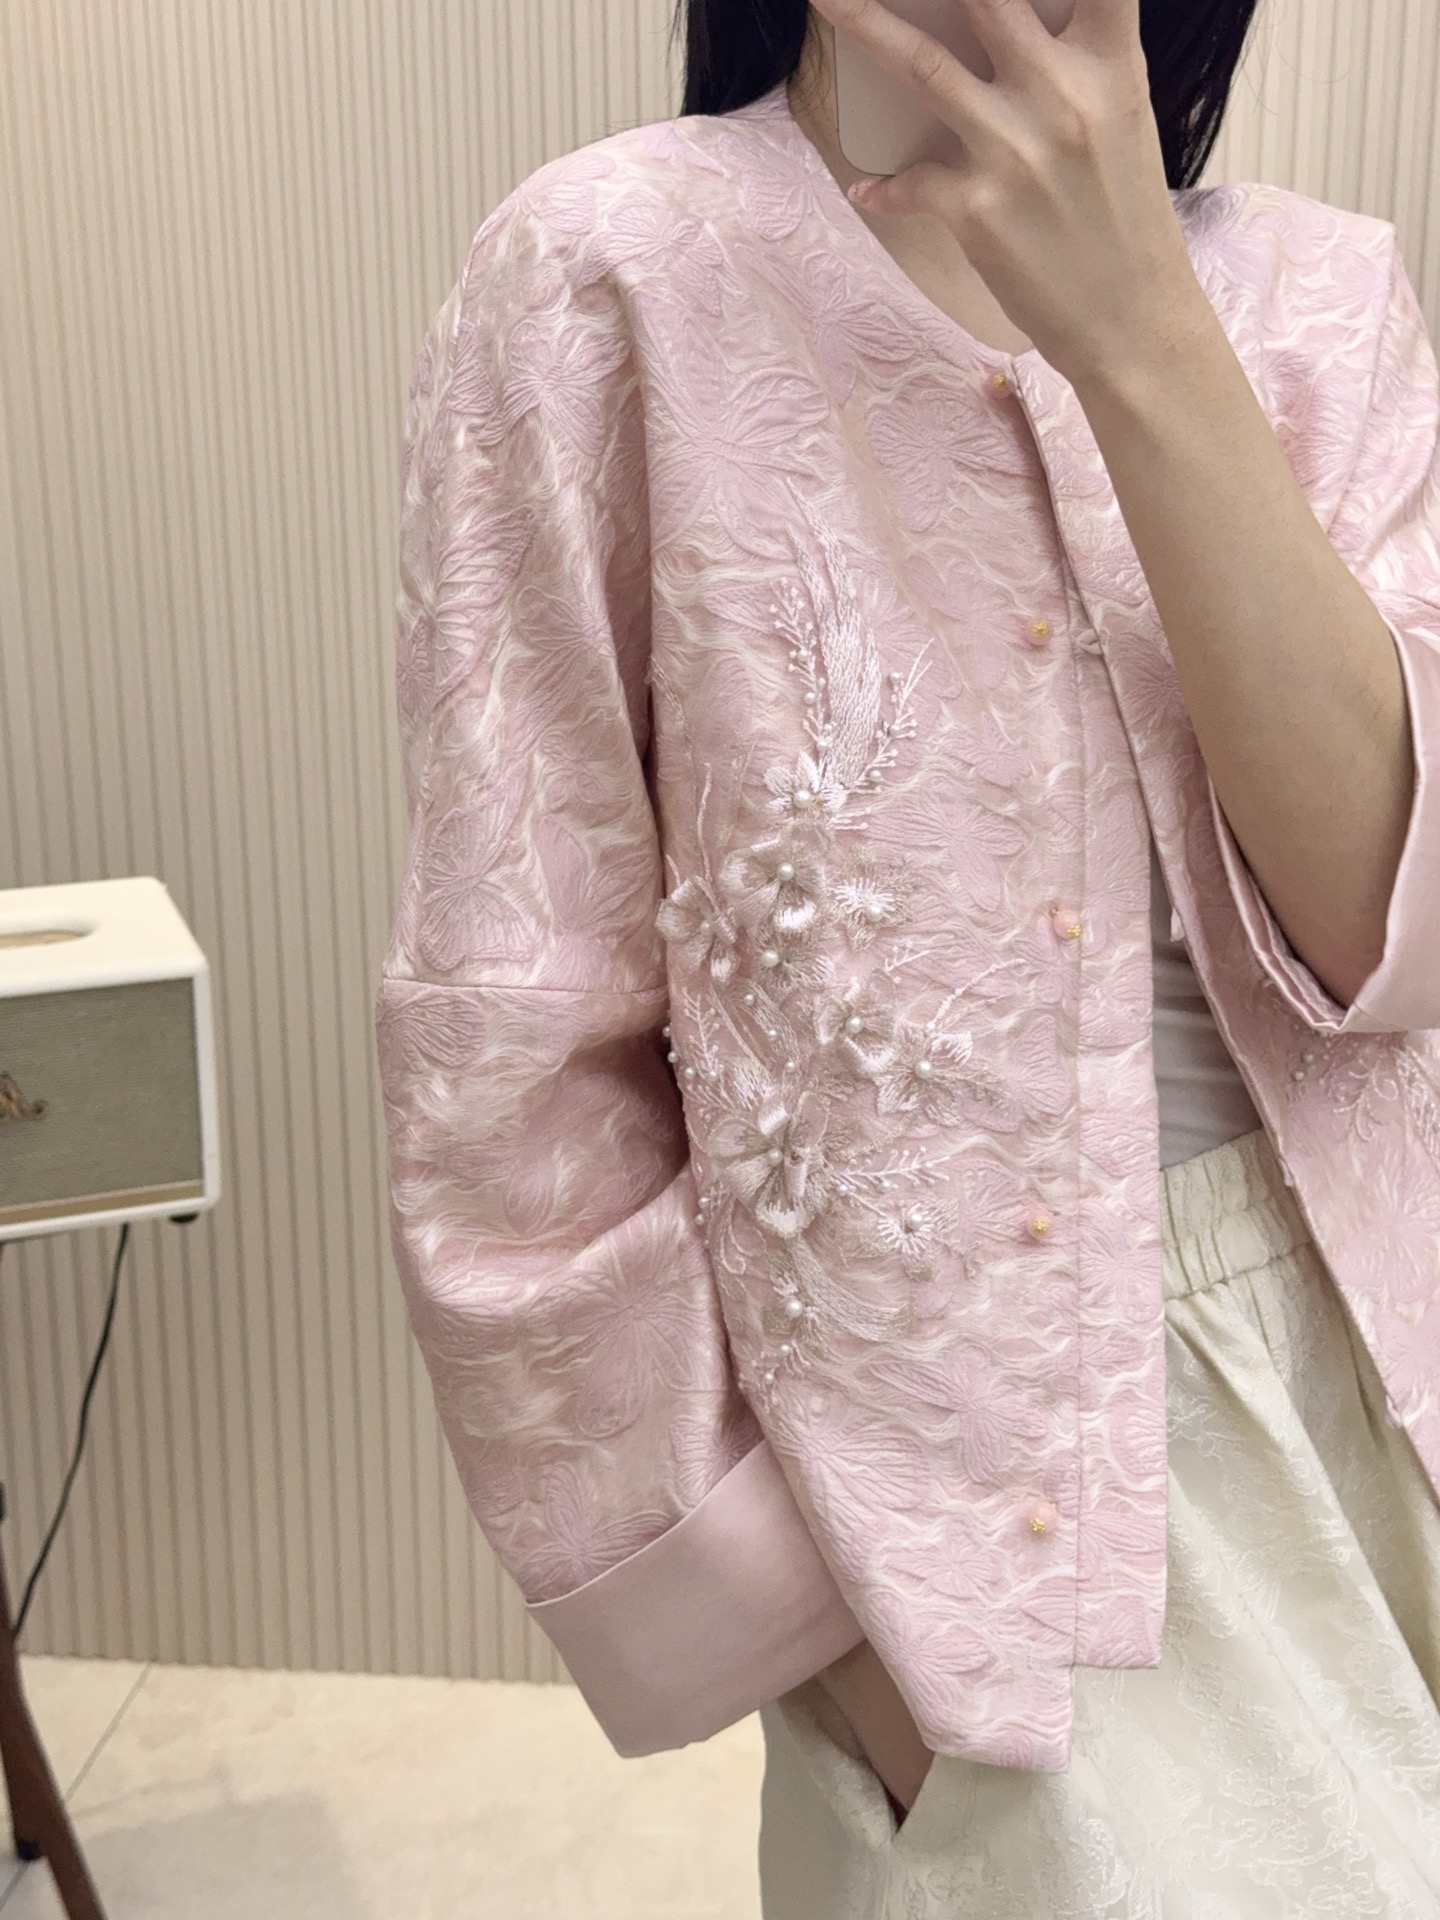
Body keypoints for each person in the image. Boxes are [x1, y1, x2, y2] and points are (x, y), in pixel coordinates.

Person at [374, 0, 1440, 1910]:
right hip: (956, 1529)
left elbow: (1396, 934)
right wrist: (839, 1648)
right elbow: (508, 1060)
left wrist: (1137, 329)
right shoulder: (612, 277)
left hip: (1379, 1371)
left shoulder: (1321, 297)